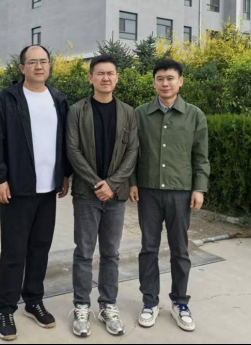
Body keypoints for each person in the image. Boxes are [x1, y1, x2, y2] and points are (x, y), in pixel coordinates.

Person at [0, 45, 72, 341]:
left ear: (50, 66)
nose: (38, 66)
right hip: (18, 189)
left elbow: (64, 140)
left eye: (43, 61)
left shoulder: (58, 99)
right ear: (22, 68)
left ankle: (33, 300)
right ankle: (6, 308)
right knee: (14, 251)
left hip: (48, 190)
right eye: (32, 62)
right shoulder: (8, 98)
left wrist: (65, 174)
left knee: (40, 248)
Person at [130, 59, 210, 333]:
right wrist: (132, 183)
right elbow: (132, 153)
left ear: (180, 81)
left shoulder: (194, 115)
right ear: (154, 82)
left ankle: (180, 302)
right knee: (148, 249)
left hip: (180, 192)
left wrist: (199, 188)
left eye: (170, 78)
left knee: (180, 250)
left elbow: (200, 156)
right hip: (148, 192)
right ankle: (149, 302)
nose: (165, 83)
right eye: (160, 78)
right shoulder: (140, 114)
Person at [66, 55, 139, 338]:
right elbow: (73, 151)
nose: (106, 78)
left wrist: (113, 184)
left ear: (117, 77)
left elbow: (132, 152)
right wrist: (98, 183)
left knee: (111, 253)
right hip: (87, 194)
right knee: (84, 253)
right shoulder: (77, 111)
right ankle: (81, 307)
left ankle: (108, 305)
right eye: (100, 73)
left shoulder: (128, 113)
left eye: (110, 73)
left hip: (116, 196)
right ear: (91, 78)